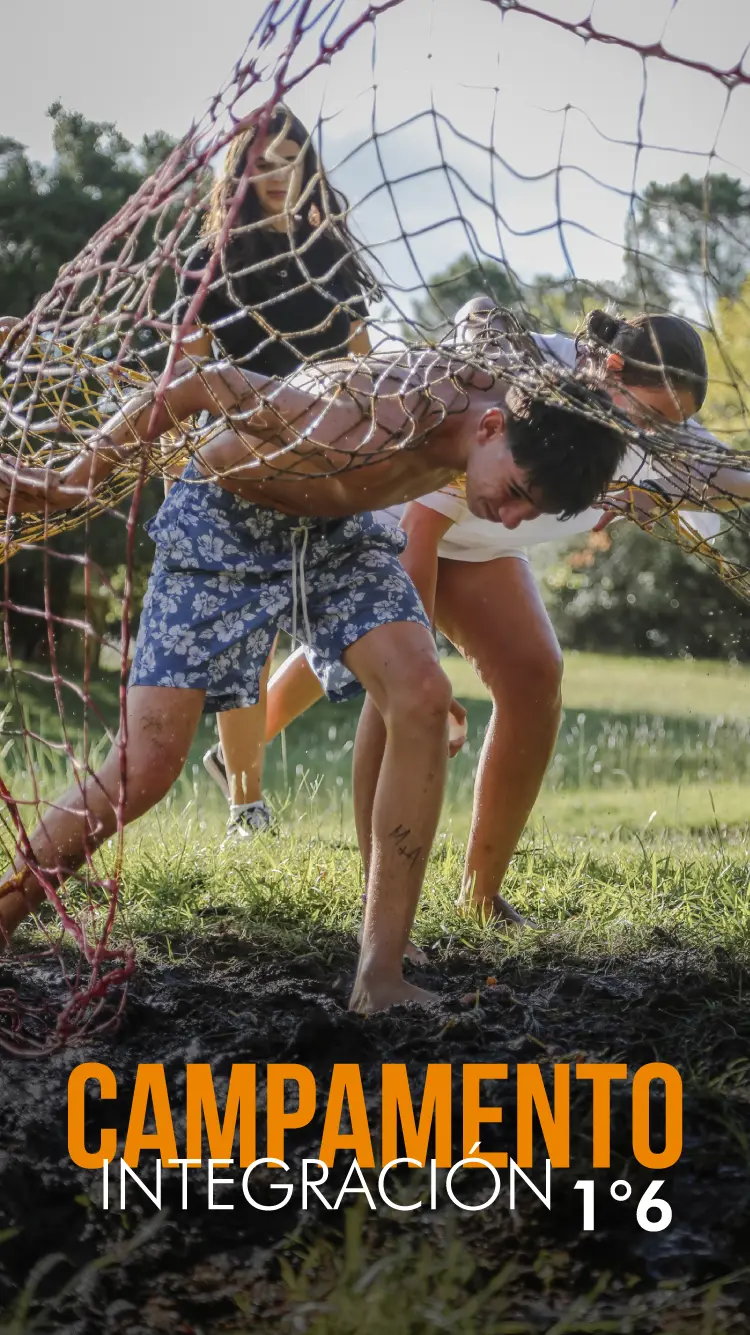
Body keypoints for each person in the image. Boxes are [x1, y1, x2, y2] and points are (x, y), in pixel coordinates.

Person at [0, 335, 628, 1012]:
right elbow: (208, 384)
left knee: (421, 697)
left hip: (336, 535)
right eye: (514, 493)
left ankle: (379, 977)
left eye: (526, 514)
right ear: (491, 427)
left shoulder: (512, 416)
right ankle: (5, 912)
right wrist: (73, 480)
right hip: (225, 525)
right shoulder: (369, 422)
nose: (508, 517)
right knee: (148, 763)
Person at [232, 301, 727, 928]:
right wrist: (416, 656)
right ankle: (377, 904)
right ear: (611, 367)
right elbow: (421, 522)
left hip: (488, 534)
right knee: (406, 694)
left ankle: (481, 895)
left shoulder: (643, 425)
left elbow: (723, 473)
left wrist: (658, 492)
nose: (654, 434)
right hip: (405, 520)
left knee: (535, 674)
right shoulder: (515, 380)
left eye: (671, 424)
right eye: (653, 415)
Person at [172, 102, 375, 838]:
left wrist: (361, 438)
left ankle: (240, 773)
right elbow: (189, 369)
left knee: (357, 625)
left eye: (287, 157)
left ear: (307, 159)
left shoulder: (334, 254)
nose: (275, 175)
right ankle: (246, 808)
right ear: (238, 172)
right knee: (244, 645)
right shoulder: (213, 261)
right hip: (235, 462)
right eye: (259, 163)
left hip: (322, 462)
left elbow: (360, 365)